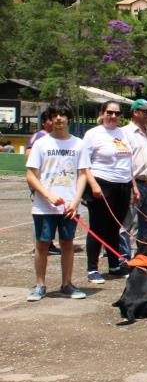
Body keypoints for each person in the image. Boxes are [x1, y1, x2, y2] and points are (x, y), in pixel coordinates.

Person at [25, 100, 90, 301]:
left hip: (69, 207)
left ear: (68, 118)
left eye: (62, 114)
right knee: (42, 244)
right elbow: (31, 175)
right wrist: (48, 195)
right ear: (50, 119)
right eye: (55, 115)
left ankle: (67, 283)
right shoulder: (41, 144)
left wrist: (75, 200)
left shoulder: (78, 144)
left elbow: (82, 175)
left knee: (67, 243)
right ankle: (40, 285)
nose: (59, 118)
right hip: (44, 207)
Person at [82, 101, 138, 284]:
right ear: (102, 113)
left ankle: (114, 265)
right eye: (109, 112)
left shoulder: (122, 133)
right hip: (102, 183)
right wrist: (93, 185)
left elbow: (128, 162)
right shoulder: (93, 134)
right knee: (98, 228)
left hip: (123, 185)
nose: (113, 116)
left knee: (115, 227)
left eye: (117, 113)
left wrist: (133, 185)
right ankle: (92, 269)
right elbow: (84, 164)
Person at [122, 98, 147, 244]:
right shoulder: (125, 133)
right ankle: (124, 259)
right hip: (134, 184)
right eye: (145, 111)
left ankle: (145, 258)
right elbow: (125, 162)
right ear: (135, 112)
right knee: (127, 223)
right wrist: (132, 186)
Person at [26, 110, 60, 255]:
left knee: (49, 211)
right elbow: (28, 157)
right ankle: (41, 245)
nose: (55, 122)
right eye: (51, 119)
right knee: (42, 212)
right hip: (41, 181)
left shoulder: (43, 136)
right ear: (45, 121)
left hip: (46, 180)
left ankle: (48, 243)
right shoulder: (41, 137)